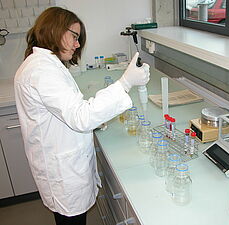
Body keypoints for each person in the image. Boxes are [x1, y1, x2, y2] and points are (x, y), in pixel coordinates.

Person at [14, 7, 150, 225]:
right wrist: (125, 83)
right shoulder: (41, 70)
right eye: (74, 37)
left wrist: (95, 121)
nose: (77, 45)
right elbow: (80, 117)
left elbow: (64, 111)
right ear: (54, 30)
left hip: (63, 162)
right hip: (62, 172)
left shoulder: (46, 65)